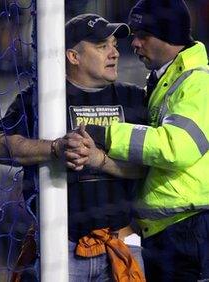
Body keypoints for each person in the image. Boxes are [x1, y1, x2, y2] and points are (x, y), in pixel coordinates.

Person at [0, 14, 147, 281]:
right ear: (73, 56)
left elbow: (147, 166)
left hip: (119, 243)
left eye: (114, 45)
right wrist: (55, 148)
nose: (114, 53)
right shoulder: (41, 99)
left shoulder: (133, 97)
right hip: (60, 248)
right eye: (101, 46)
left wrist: (99, 159)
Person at [65, 1, 209, 281]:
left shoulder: (198, 83)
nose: (134, 44)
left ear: (170, 35)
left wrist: (106, 134)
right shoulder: (162, 81)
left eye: (144, 35)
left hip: (190, 231)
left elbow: (178, 146)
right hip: (163, 232)